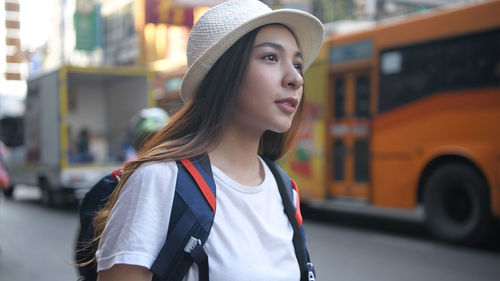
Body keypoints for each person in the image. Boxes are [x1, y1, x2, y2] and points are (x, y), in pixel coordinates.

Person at [93, 0, 324, 280]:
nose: (295, 78)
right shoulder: (160, 180)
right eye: (271, 57)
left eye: (297, 64)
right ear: (224, 73)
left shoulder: (284, 189)